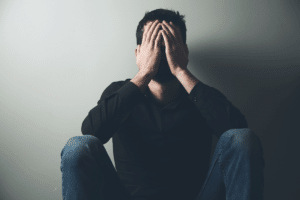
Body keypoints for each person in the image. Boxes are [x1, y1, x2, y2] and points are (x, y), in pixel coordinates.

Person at [60, 8, 265, 200]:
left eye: (168, 45)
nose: (160, 54)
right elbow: (91, 132)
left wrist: (181, 71)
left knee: (241, 137)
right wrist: (144, 73)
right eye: (153, 45)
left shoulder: (202, 95)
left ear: (184, 50)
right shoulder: (119, 92)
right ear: (138, 53)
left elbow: (240, 138)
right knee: (78, 146)